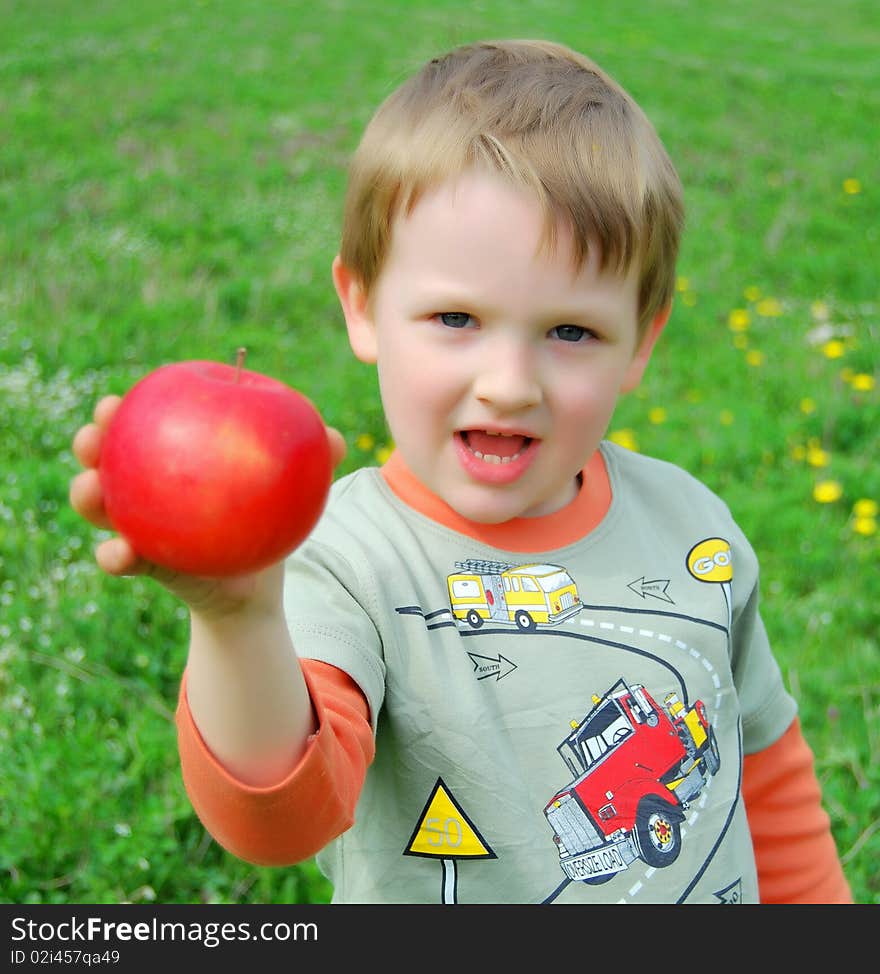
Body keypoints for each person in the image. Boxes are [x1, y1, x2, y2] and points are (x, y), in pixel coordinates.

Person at [70, 39, 852, 904]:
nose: (510, 385)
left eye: (570, 332)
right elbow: (277, 822)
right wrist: (238, 619)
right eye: (455, 317)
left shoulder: (691, 525)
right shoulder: (342, 560)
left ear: (643, 340)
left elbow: (766, 782)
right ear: (363, 306)